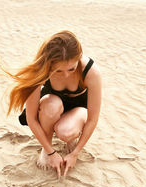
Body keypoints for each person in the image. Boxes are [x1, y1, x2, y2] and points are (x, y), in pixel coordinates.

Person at [6, 30, 102, 178]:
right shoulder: (39, 70)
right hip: (49, 107)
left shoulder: (90, 71)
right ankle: (47, 147)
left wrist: (75, 153)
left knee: (66, 132)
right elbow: (31, 118)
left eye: (71, 68)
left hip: (78, 111)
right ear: (49, 64)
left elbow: (93, 119)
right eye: (58, 71)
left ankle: (72, 141)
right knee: (52, 105)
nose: (66, 75)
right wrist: (51, 152)